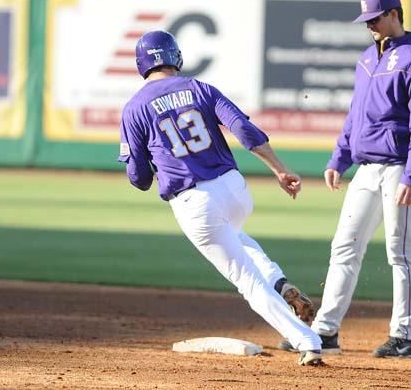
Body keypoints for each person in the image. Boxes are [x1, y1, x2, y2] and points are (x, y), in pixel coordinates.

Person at [118, 30, 323, 366]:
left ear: (142, 63)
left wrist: (145, 163)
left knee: (247, 281)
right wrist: (279, 169)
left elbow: (139, 179)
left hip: (194, 202)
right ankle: (279, 281)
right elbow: (243, 129)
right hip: (234, 188)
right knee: (239, 239)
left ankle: (307, 340)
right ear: (175, 57)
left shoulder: (135, 108)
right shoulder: (200, 88)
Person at [279, 0, 411, 358]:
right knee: (344, 247)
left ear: (395, 14)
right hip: (366, 168)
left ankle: (403, 336)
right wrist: (340, 158)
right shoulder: (368, 58)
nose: (369, 25)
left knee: (400, 252)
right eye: (366, 19)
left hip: (400, 168)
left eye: (375, 18)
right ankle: (326, 330)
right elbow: (357, 114)